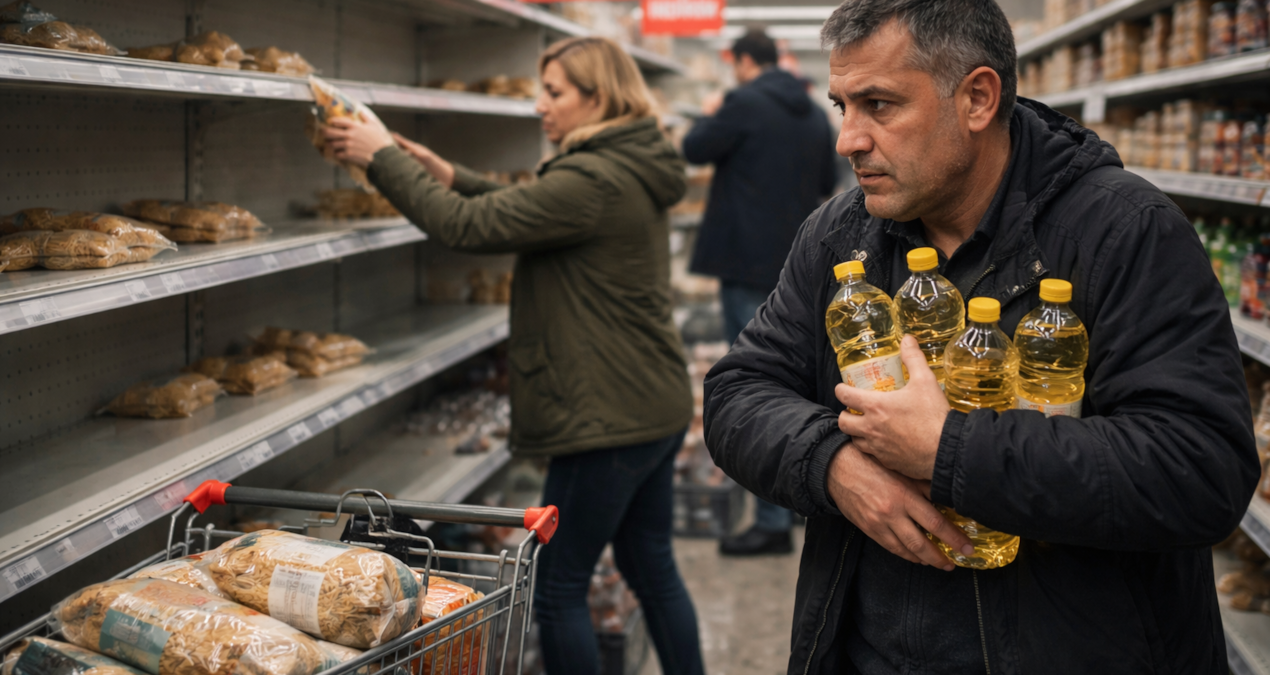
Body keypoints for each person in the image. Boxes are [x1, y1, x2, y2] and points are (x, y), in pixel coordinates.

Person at [703, 0, 1258, 673]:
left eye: (879, 105)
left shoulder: (1125, 232)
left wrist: (950, 448)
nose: (848, 137)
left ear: (977, 98)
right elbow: (738, 391)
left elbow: (1199, 468)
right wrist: (833, 464)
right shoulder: (840, 233)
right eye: (842, 105)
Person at [322, 36, 706, 675]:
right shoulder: (624, 163)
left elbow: (466, 228)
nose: (539, 105)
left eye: (554, 92)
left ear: (599, 97)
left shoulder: (592, 177)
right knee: (650, 566)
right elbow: (521, 207)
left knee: (556, 587)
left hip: (604, 419)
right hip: (649, 402)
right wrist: (440, 172)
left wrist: (383, 157)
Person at [682, 28, 838, 557]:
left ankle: (770, 519)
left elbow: (693, 148)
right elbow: (825, 179)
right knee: (799, 377)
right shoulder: (816, 112)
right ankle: (800, 494)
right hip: (799, 263)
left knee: (753, 385)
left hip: (745, 260)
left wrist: (709, 112)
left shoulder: (742, 102)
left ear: (745, 62)